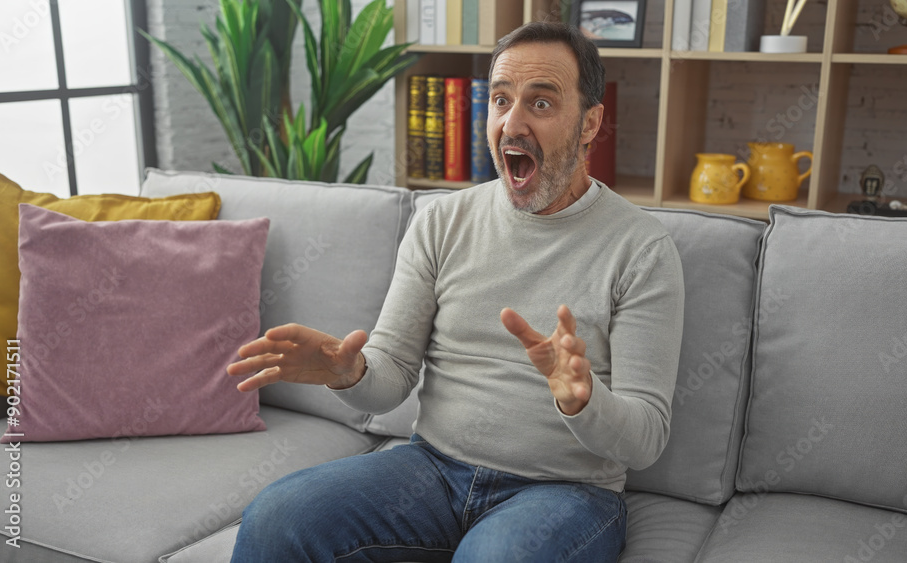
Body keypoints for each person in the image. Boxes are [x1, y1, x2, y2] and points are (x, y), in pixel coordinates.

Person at [228, 21, 684, 563]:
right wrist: (345, 372)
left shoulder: (642, 249)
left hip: (565, 492)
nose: (512, 123)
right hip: (433, 469)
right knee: (276, 516)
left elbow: (646, 439)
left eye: (541, 104)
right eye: (500, 100)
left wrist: (581, 400)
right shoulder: (440, 221)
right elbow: (391, 374)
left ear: (590, 123)